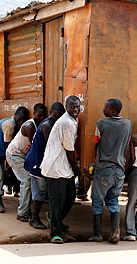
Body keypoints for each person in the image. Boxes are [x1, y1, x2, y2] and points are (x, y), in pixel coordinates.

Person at [88, 99, 132, 244]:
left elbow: (96, 143)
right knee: (113, 201)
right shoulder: (127, 124)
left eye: (105, 107)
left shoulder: (101, 123)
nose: (103, 109)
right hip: (119, 170)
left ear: (113, 110)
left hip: (104, 169)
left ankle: (97, 234)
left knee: (97, 201)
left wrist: (95, 162)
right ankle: (115, 232)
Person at [40, 96, 82, 244]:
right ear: (66, 107)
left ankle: (54, 219)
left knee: (70, 197)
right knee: (57, 201)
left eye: (77, 107)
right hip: (55, 166)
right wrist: (76, 168)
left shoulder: (73, 120)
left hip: (64, 167)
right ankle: (56, 233)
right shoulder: (66, 123)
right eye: (72, 107)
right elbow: (69, 149)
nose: (75, 110)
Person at [25, 102, 65, 229]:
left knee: (49, 191)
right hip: (37, 162)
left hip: (42, 161)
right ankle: (34, 217)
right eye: (56, 116)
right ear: (51, 114)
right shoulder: (47, 125)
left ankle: (53, 218)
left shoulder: (52, 123)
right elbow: (51, 145)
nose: (58, 119)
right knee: (40, 192)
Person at [0, 107, 30, 213]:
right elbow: (9, 148)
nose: (20, 122)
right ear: (15, 115)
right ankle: (0, 202)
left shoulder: (17, 125)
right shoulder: (10, 125)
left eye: (23, 120)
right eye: (19, 119)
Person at [6, 103, 48, 222]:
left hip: (22, 156)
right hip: (15, 155)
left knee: (30, 179)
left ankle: (26, 209)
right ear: (34, 114)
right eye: (39, 115)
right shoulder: (29, 126)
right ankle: (22, 213)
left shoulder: (40, 125)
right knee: (27, 180)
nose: (41, 118)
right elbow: (36, 146)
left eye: (43, 116)